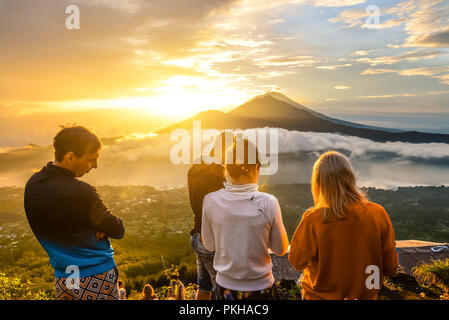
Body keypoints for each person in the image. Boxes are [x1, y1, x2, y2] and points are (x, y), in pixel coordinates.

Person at [24, 126, 125, 300]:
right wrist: (99, 227)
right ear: (70, 156)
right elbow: (117, 229)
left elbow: (60, 223)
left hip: (64, 277)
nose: (95, 166)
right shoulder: (81, 192)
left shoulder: (33, 185)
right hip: (95, 276)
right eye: (91, 159)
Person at [288, 151, 399, 300]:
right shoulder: (378, 214)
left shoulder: (313, 218)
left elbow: (296, 262)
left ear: (319, 183)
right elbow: (391, 267)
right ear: (350, 177)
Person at [201, 137, 289, 300]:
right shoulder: (269, 203)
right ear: (256, 167)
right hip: (262, 288)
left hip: (225, 289)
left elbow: (209, 245)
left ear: (226, 169)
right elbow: (281, 249)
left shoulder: (210, 201)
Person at [188, 132, 228, 300]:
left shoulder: (195, 168)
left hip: (197, 235)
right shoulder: (218, 173)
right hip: (212, 239)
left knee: (204, 288)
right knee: (222, 290)